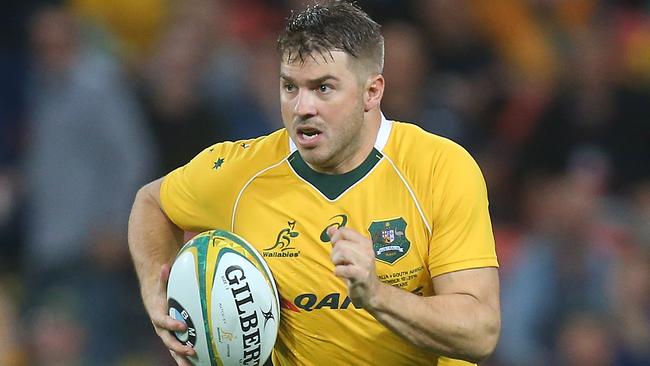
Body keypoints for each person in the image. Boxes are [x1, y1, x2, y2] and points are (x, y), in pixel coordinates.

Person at [128, 2, 500, 365]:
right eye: (290, 87)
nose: (302, 107)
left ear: (372, 91)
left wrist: (377, 295)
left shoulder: (439, 168)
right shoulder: (240, 172)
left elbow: (480, 333)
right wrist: (156, 294)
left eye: (323, 88)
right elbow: (152, 203)